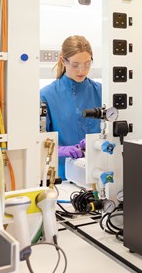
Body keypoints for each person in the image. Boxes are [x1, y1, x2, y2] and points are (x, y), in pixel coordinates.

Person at [40, 35, 102, 179]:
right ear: (63, 60)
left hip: (98, 172)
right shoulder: (46, 96)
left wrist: (98, 140)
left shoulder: (101, 92)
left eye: (87, 64)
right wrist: (61, 150)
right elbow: (39, 141)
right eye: (75, 65)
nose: (82, 70)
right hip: (63, 176)